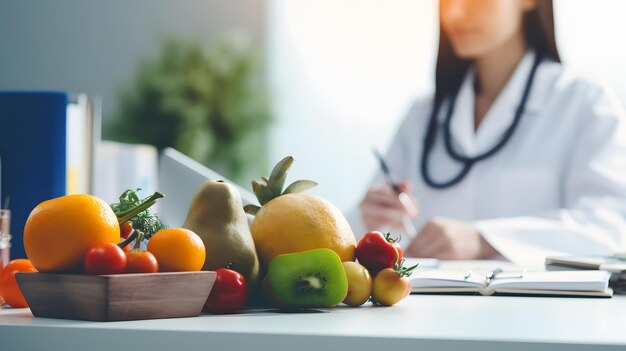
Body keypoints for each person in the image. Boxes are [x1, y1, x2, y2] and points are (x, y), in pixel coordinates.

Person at [354, 0, 626, 265]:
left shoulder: (585, 102)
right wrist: (371, 218)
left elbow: (609, 227)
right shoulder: (422, 115)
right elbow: (355, 235)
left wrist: (483, 240)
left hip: (543, 311)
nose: (456, 12)